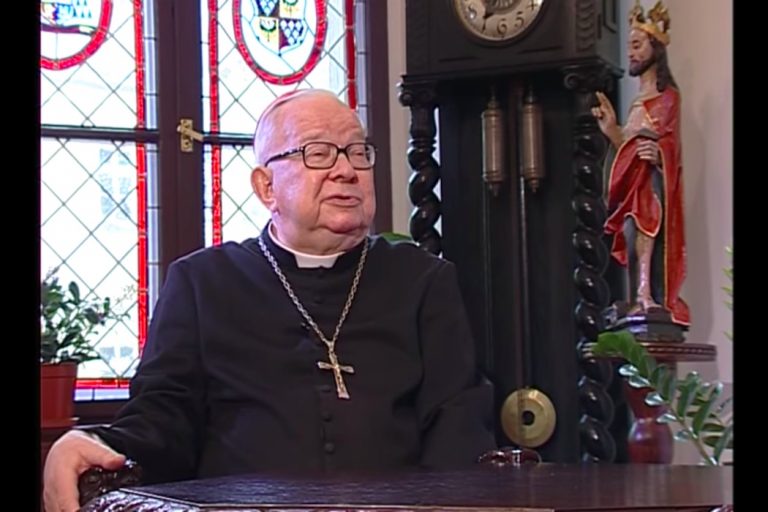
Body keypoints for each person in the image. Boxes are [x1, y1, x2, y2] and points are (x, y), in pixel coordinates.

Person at [43, 89, 496, 512]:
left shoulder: (422, 280)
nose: (346, 170)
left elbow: (458, 423)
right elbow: (163, 418)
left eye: (358, 152)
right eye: (318, 153)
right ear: (266, 187)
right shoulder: (203, 283)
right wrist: (96, 440)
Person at [591, 0, 689, 326]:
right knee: (634, 236)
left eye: (637, 45)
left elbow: (668, 146)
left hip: (652, 187)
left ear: (655, 49)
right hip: (634, 186)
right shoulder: (638, 101)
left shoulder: (668, 97)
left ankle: (647, 294)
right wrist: (612, 130)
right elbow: (629, 147)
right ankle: (638, 295)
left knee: (647, 230)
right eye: (629, 46)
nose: (631, 53)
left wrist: (660, 155)